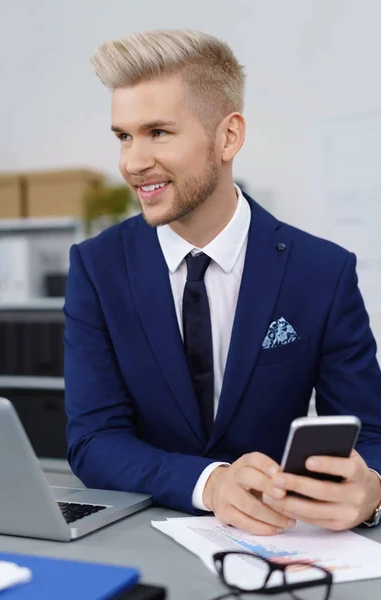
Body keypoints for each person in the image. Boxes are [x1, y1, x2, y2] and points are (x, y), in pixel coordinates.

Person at [64, 29, 381, 535]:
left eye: (158, 133)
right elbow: (93, 439)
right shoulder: (97, 268)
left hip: (284, 545)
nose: (132, 162)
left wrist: (374, 489)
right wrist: (210, 483)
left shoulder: (323, 272)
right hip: (142, 542)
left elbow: (372, 435)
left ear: (228, 136)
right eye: (123, 136)